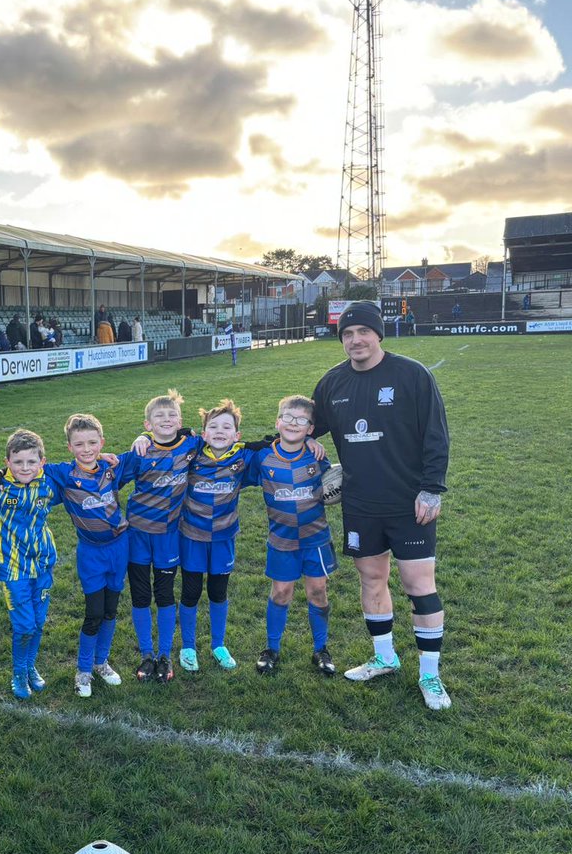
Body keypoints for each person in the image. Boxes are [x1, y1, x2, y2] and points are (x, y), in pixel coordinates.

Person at [311, 299, 452, 710]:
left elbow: (436, 435)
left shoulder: (411, 375)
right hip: (359, 502)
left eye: (363, 332)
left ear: (378, 334)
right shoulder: (332, 383)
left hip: (409, 502)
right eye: (347, 334)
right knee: (371, 579)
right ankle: (384, 657)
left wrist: (432, 488)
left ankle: (430, 674)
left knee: (418, 585)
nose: (355, 340)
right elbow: (304, 429)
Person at [115, 390, 199, 683]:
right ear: (147, 424)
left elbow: (220, 440)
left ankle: (165, 655)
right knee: (140, 595)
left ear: (180, 421)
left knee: (164, 594)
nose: (166, 419)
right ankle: (146, 655)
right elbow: (105, 478)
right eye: (158, 416)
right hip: (137, 534)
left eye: (171, 415)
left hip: (168, 535)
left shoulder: (191, 446)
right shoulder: (139, 453)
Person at [175, 399, 263, 673]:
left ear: (237, 435)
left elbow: (277, 454)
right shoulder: (193, 454)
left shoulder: (243, 457)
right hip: (192, 536)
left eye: (227, 426)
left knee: (218, 591)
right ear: (204, 434)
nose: (220, 431)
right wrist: (145, 435)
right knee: (191, 591)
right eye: (213, 426)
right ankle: (188, 646)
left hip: (224, 537)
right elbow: (164, 440)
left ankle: (218, 644)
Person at [44, 414, 128, 697]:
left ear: (102, 443)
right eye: (79, 444)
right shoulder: (64, 475)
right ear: (69, 447)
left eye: (93, 442)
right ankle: (83, 670)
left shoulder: (111, 468)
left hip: (119, 548)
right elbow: (28, 465)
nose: (87, 449)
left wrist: (142, 438)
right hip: (90, 554)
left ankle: (101, 662)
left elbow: (144, 457)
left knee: (110, 610)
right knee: (93, 614)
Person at [253, 395, 337, 678]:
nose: (293, 424)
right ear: (278, 422)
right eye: (288, 418)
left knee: (317, 592)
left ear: (311, 428)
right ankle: (271, 649)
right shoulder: (263, 457)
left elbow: (335, 484)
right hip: (282, 541)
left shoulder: (317, 457)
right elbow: (226, 452)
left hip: (315, 540)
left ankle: (321, 649)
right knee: (281, 593)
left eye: (302, 420)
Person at [0, 429, 63, 698]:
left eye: (32, 461)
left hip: (43, 562)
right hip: (13, 568)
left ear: (42, 461)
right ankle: (18, 672)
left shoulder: (49, 482)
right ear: (7, 461)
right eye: (18, 462)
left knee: (39, 622)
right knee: (24, 625)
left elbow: (83, 470)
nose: (25, 467)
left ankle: (30, 667)